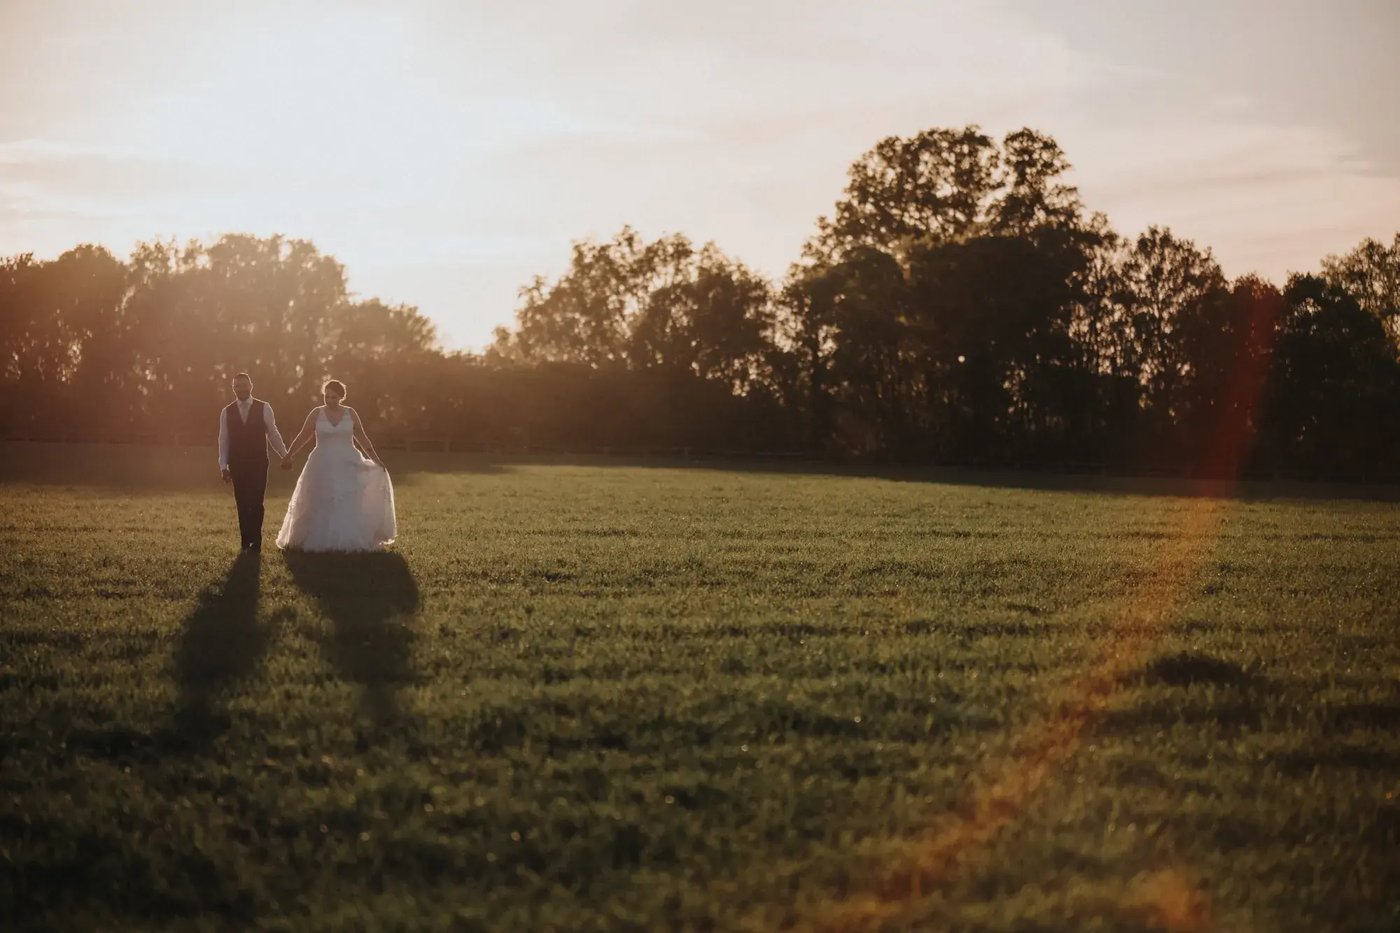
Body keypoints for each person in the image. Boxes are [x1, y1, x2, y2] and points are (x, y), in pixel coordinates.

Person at [275, 379, 396, 552]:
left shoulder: (351, 413)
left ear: (341, 397)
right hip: (321, 463)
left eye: (334, 397)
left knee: (346, 500)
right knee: (319, 499)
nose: (330, 400)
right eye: (327, 396)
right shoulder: (316, 413)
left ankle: (347, 539)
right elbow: (303, 436)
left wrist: (376, 459)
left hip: (347, 462)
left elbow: (362, 438)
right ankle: (315, 539)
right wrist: (289, 455)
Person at [218, 371, 289, 552]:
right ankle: (245, 542)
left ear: (251, 386)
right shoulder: (227, 412)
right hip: (237, 463)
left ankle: (255, 543)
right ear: (233, 388)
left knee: (256, 502)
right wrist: (223, 466)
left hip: (258, 462)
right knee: (242, 501)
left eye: (244, 385)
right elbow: (224, 440)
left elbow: (273, 434)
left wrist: (284, 454)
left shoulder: (264, 407)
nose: (241, 388)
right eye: (237, 386)